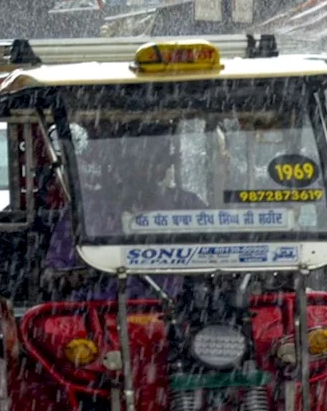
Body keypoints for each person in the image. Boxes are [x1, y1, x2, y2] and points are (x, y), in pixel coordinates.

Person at [41, 123, 205, 302]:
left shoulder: (187, 205)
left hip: (170, 317)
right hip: (97, 317)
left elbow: (223, 260)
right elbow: (50, 278)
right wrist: (92, 271)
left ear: (167, 163)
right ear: (117, 162)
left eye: (152, 159)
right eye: (132, 159)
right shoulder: (86, 209)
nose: (142, 168)